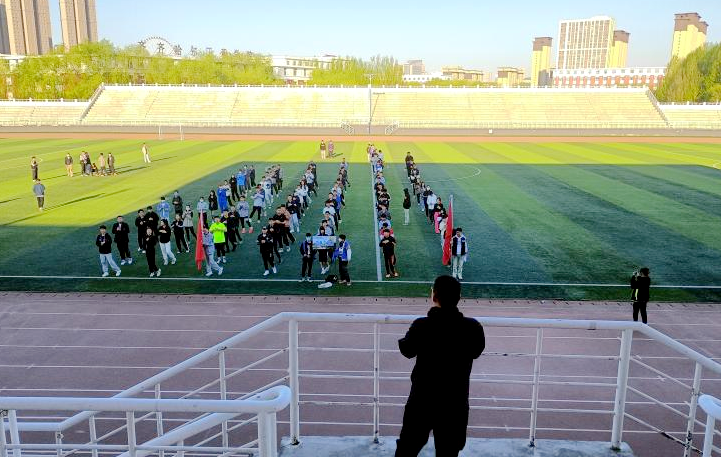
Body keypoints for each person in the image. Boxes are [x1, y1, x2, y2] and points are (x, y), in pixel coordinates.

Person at [395, 275, 485, 457]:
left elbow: (407, 350)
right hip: (455, 403)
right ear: (459, 298)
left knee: (406, 449)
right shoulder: (473, 327)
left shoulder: (421, 325)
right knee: (448, 452)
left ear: (434, 296)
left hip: (422, 400)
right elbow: (476, 351)